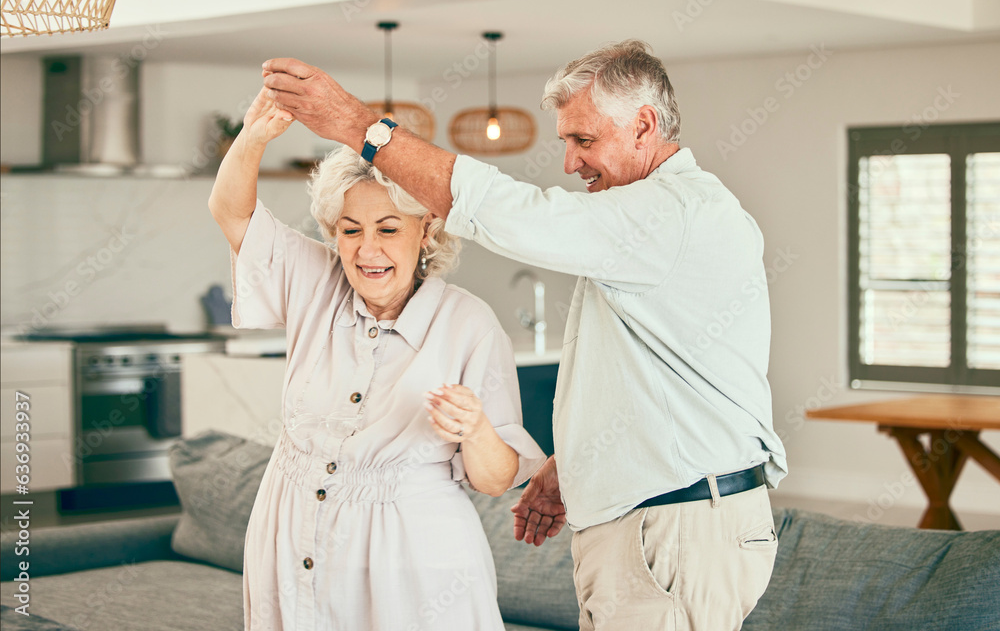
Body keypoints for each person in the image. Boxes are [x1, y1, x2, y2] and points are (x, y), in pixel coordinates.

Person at [260, 39, 788, 631]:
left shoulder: (671, 213)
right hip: (659, 521)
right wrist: (574, 465)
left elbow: (523, 215)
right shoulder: (655, 219)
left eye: (583, 140)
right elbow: (658, 379)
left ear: (644, 125)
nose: (570, 162)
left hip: (674, 527)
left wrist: (360, 126)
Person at [208, 88, 546, 631]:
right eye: (350, 231)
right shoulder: (315, 283)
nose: (367, 251)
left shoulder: (468, 324)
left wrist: (477, 430)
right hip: (289, 530)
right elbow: (231, 211)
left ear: (427, 230)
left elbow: (494, 478)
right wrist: (254, 136)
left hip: (410, 559)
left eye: (388, 229)